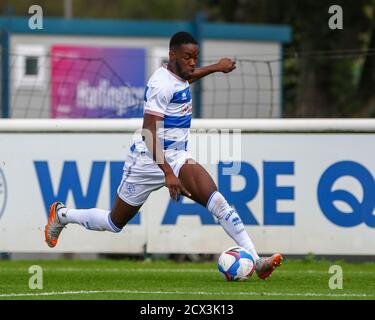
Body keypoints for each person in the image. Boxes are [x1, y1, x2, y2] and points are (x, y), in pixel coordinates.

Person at [45, 31, 282, 279]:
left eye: (195, 57)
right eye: (188, 57)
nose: (193, 62)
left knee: (218, 202)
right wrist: (167, 172)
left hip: (177, 156)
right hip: (147, 160)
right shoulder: (160, 84)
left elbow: (188, 76)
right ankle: (62, 215)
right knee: (115, 223)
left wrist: (216, 67)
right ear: (172, 55)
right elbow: (149, 131)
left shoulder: (178, 76)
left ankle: (257, 261)